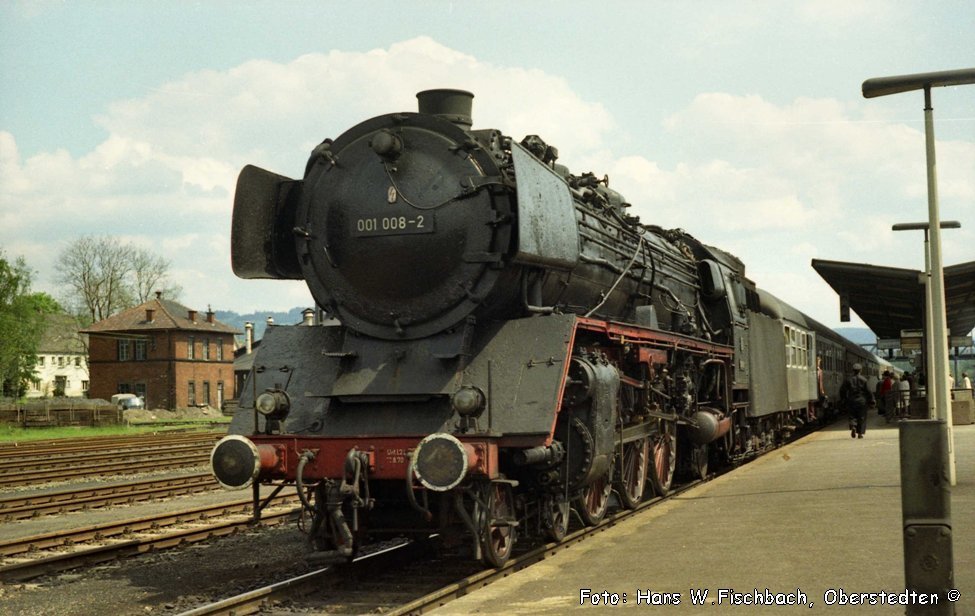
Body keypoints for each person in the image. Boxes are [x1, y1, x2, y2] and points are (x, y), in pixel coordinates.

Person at [840, 363, 874, 439]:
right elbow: (869, 391)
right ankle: (860, 434)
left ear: (853, 370)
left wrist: (844, 399)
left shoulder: (848, 380)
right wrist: (872, 400)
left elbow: (842, 390)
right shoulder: (864, 380)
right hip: (862, 401)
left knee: (852, 415)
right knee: (862, 416)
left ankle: (853, 426)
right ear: (860, 370)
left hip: (851, 400)